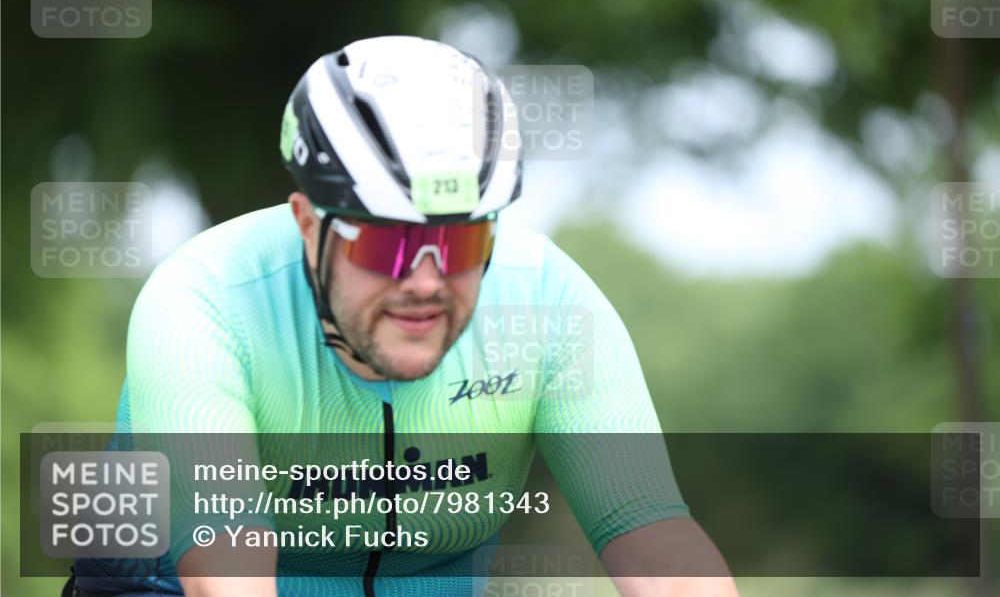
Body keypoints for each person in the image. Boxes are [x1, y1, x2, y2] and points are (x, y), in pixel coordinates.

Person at [68, 36, 738, 597]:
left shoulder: (548, 299)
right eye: (385, 244)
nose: (425, 282)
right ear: (308, 225)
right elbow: (228, 567)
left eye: (460, 242)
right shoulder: (204, 296)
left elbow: (653, 543)